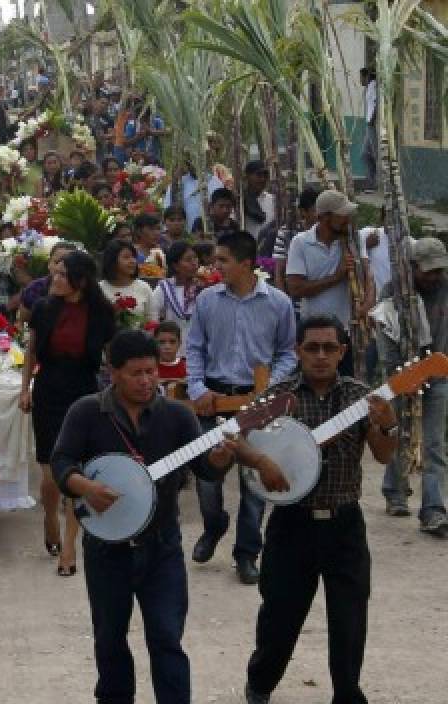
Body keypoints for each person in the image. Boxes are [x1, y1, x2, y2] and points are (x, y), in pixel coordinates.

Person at [51, 330, 237, 704]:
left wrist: (219, 460)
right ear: (113, 372)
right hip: (107, 549)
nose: (146, 380)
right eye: (136, 373)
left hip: (161, 546)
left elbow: (204, 470)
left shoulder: (177, 416)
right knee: (109, 640)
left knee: (167, 638)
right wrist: (86, 488)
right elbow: (61, 462)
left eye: (152, 371)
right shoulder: (87, 411)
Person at [241, 315, 399, 704]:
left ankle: (347, 694)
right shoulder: (278, 396)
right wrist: (263, 462)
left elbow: (382, 455)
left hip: (344, 523)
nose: (321, 356)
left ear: (342, 352)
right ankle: (259, 685)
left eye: (330, 348)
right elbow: (238, 438)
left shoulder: (362, 397)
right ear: (298, 350)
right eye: (312, 347)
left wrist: (386, 426)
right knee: (280, 619)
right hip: (291, 524)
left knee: (349, 622)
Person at [186, 230, 297, 584]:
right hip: (214, 398)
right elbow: (194, 348)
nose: (214, 266)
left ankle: (247, 552)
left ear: (246, 264)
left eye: (222, 260)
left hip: (258, 401)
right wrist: (197, 387)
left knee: (253, 480)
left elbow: (287, 352)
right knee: (207, 475)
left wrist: (271, 388)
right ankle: (214, 523)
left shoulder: (278, 303)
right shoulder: (206, 300)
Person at [20, 251, 116, 575]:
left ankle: (71, 547)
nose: (56, 280)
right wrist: (25, 389)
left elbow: (110, 355)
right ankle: (50, 517)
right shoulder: (44, 308)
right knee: (50, 473)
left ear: (81, 280)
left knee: (77, 472)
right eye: (55, 273)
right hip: (48, 389)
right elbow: (31, 349)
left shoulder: (101, 312)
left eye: (63, 275)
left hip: (84, 392)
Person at [379, 237, 448, 534]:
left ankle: (433, 509)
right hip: (400, 376)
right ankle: (395, 491)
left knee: (434, 444)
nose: (435, 277)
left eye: (439, 271)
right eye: (429, 271)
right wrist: (398, 371)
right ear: (413, 267)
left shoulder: (445, 289)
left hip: (439, 375)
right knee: (397, 434)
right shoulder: (394, 292)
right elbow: (383, 332)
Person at [286, 190, 374, 376]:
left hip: (348, 334)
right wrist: (336, 276)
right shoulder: (300, 243)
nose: (347, 220)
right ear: (324, 217)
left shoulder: (354, 240)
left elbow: (368, 276)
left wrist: (367, 305)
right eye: (342, 215)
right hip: (313, 334)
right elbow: (296, 288)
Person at [99, 241, 157, 329]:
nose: (133, 261)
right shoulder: (99, 288)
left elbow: (152, 321)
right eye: (126, 257)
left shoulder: (144, 287)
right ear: (112, 261)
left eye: (134, 257)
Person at [152, 241, 202, 344]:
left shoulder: (203, 287)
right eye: (188, 260)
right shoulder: (164, 288)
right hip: (171, 350)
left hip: (199, 349)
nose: (194, 263)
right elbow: (153, 318)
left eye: (195, 258)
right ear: (175, 266)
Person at [242, 161, 276, 243]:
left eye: (265, 175)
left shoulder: (272, 200)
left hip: (267, 251)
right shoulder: (240, 200)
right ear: (247, 177)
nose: (262, 179)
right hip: (247, 251)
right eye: (259, 175)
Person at [361, 67, 378, 192]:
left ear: (366, 76)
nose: (360, 80)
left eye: (361, 77)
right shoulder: (369, 87)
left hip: (372, 125)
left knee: (374, 154)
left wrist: (372, 119)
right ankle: (371, 184)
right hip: (369, 124)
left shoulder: (373, 86)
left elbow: (377, 103)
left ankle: (374, 184)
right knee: (366, 154)